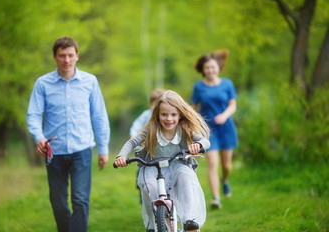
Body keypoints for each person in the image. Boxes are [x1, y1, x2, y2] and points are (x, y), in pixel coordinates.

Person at [26, 36, 110, 232]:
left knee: (80, 200)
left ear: (77, 56)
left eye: (70, 55)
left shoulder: (90, 81)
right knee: (58, 203)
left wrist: (103, 148)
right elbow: (34, 115)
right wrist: (38, 136)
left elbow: (99, 115)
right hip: (53, 152)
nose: (66, 60)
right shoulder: (42, 84)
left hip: (82, 150)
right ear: (54, 57)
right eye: (62, 55)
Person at [115, 90, 210, 232]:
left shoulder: (183, 129)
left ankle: (190, 220)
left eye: (173, 115)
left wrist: (199, 145)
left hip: (177, 164)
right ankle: (153, 225)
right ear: (157, 115)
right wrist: (121, 156)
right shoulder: (152, 128)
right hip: (153, 165)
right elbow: (132, 142)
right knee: (148, 187)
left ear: (180, 115)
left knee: (186, 177)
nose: (168, 119)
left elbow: (204, 141)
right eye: (164, 114)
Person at [191, 50, 238, 209]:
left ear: (218, 67)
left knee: (226, 165)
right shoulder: (198, 87)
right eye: (207, 68)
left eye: (212, 67)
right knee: (212, 163)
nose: (210, 70)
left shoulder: (227, 84)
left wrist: (224, 115)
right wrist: (193, 123)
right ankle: (216, 198)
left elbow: (232, 105)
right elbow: (194, 108)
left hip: (226, 127)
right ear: (203, 70)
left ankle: (224, 180)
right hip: (208, 130)